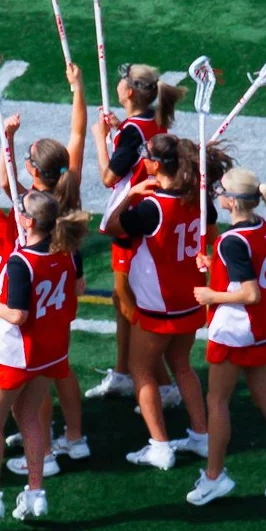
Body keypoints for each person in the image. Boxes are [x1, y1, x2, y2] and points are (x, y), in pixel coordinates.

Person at [0, 191, 86, 527]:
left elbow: (17, 315)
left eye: (20, 210)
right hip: (52, 349)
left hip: (16, 353)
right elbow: (76, 288)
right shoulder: (69, 252)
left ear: (29, 221)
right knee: (30, 414)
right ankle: (35, 492)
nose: (15, 212)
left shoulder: (21, 262)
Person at [0, 64, 94, 467]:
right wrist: (78, 90)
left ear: (33, 171)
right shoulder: (69, 187)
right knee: (60, 367)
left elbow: (4, 182)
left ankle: (45, 449)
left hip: (33, 288)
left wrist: (7, 137)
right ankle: (75, 436)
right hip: (65, 283)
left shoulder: (29, 203)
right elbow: (79, 135)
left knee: (37, 374)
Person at [188, 167, 266, 504]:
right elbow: (250, 268)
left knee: (217, 401)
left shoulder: (231, 241)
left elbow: (250, 292)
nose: (217, 192)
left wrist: (212, 296)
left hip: (236, 330)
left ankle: (214, 477)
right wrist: (216, 265)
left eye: (221, 189)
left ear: (232, 201)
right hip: (259, 330)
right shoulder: (259, 227)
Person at [100, 134, 215, 471]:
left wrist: (129, 194)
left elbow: (109, 226)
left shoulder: (151, 207)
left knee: (142, 371)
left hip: (158, 304)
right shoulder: (199, 197)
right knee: (181, 365)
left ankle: (160, 445)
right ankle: (202, 435)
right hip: (190, 297)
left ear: (154, 164)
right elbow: (210, 227)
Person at [88, 64, 181, 403]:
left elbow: (109, 177)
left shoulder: (131, 132)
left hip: (132, 218)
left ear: (128, 92)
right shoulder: (150, 122)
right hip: (144, 215)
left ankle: (161, 382)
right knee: (121, 299)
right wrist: (117, 129)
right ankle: (124, 371)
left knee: (128, 302)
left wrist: (100, 139)